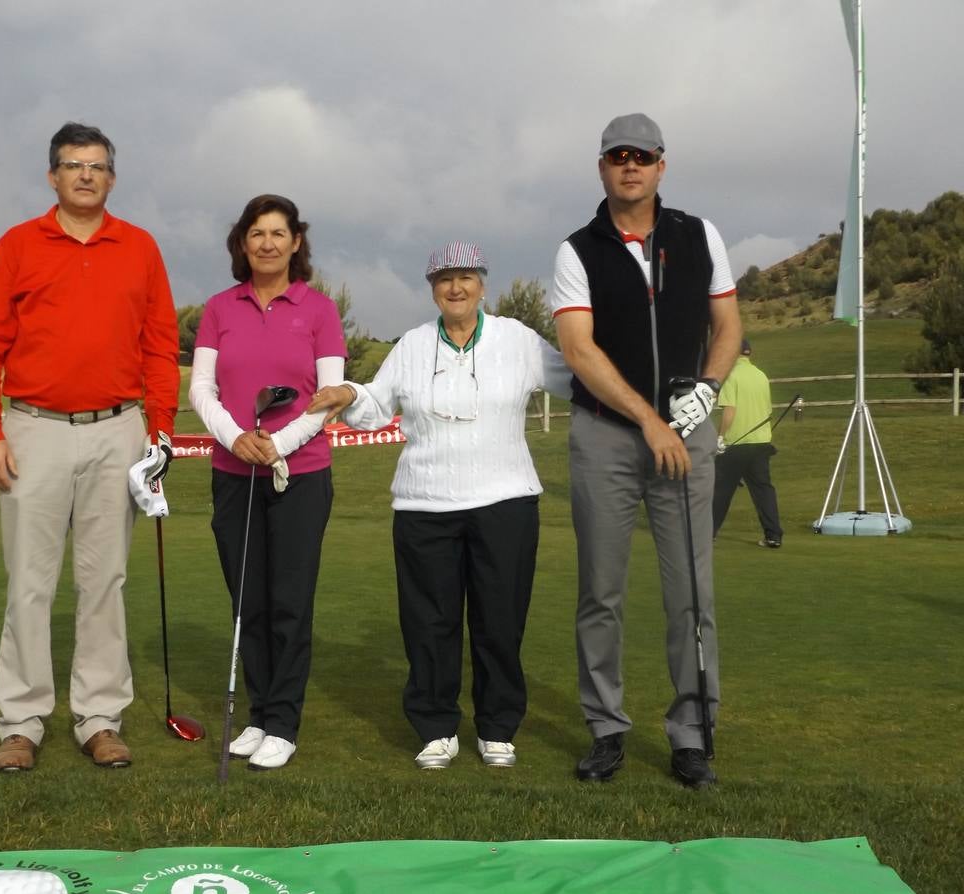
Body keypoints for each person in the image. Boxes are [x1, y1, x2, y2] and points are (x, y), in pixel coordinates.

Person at [0, 122, 180, 773]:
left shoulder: (139, 247)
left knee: (104, 581)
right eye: (71, 165)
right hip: (32, 429)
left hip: (119, 430)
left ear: (111, 178)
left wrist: (160, 429)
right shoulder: (18, 244)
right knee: (29, 584)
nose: (85, 175)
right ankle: (22, 721)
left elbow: (160, 343)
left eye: (96, 166)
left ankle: (98, 717)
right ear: (52, 176)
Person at [309, 242, 573, 771]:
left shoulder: (517, 340)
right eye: (444, 278)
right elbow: (377, 403)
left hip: (505, 502)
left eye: (466, 277)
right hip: (424, 503)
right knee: (429, 622)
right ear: (432, 287)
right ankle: (435, 726)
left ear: (483, 284)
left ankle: (498, 727)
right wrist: (347, 396)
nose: (456, 287)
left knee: (500, 620)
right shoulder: (411, 344)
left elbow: (577, 378)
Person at [550, 113, 742, 788]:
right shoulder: (579, 250)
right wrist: (649, 419)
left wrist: (709, 390)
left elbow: (728, 326)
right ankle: (606, 729)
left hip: (689, 429)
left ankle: (691, 734)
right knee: (601, 591)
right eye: (617, 156)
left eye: (644, 155)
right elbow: (580, 350)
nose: (630, 165)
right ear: (601, 167)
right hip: (606, 432)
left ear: (663, 165)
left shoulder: (698, 235)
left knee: (691, 591)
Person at [189, 194, 346, 771]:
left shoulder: (319, 310)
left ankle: (283, 720)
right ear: (243, 242)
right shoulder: (218, 308)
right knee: (247, 599)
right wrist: (236, 438)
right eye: (256, 233)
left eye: (279, 233)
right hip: (234, 474)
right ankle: (256, 715)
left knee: (289, 602)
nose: (268, 243)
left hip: (299, 476)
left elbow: (327, 399)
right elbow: (201, 390)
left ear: (296, 242)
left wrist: (275, 445)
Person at [713, 339, 783, 548]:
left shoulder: (732, 376)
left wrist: (720, 437)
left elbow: (729, 411)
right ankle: (774, 535)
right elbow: (768, 410)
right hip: (761, 442)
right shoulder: (761, 375)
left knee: (721, 490)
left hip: (736, 443)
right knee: (763, 491)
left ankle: (707, 533)